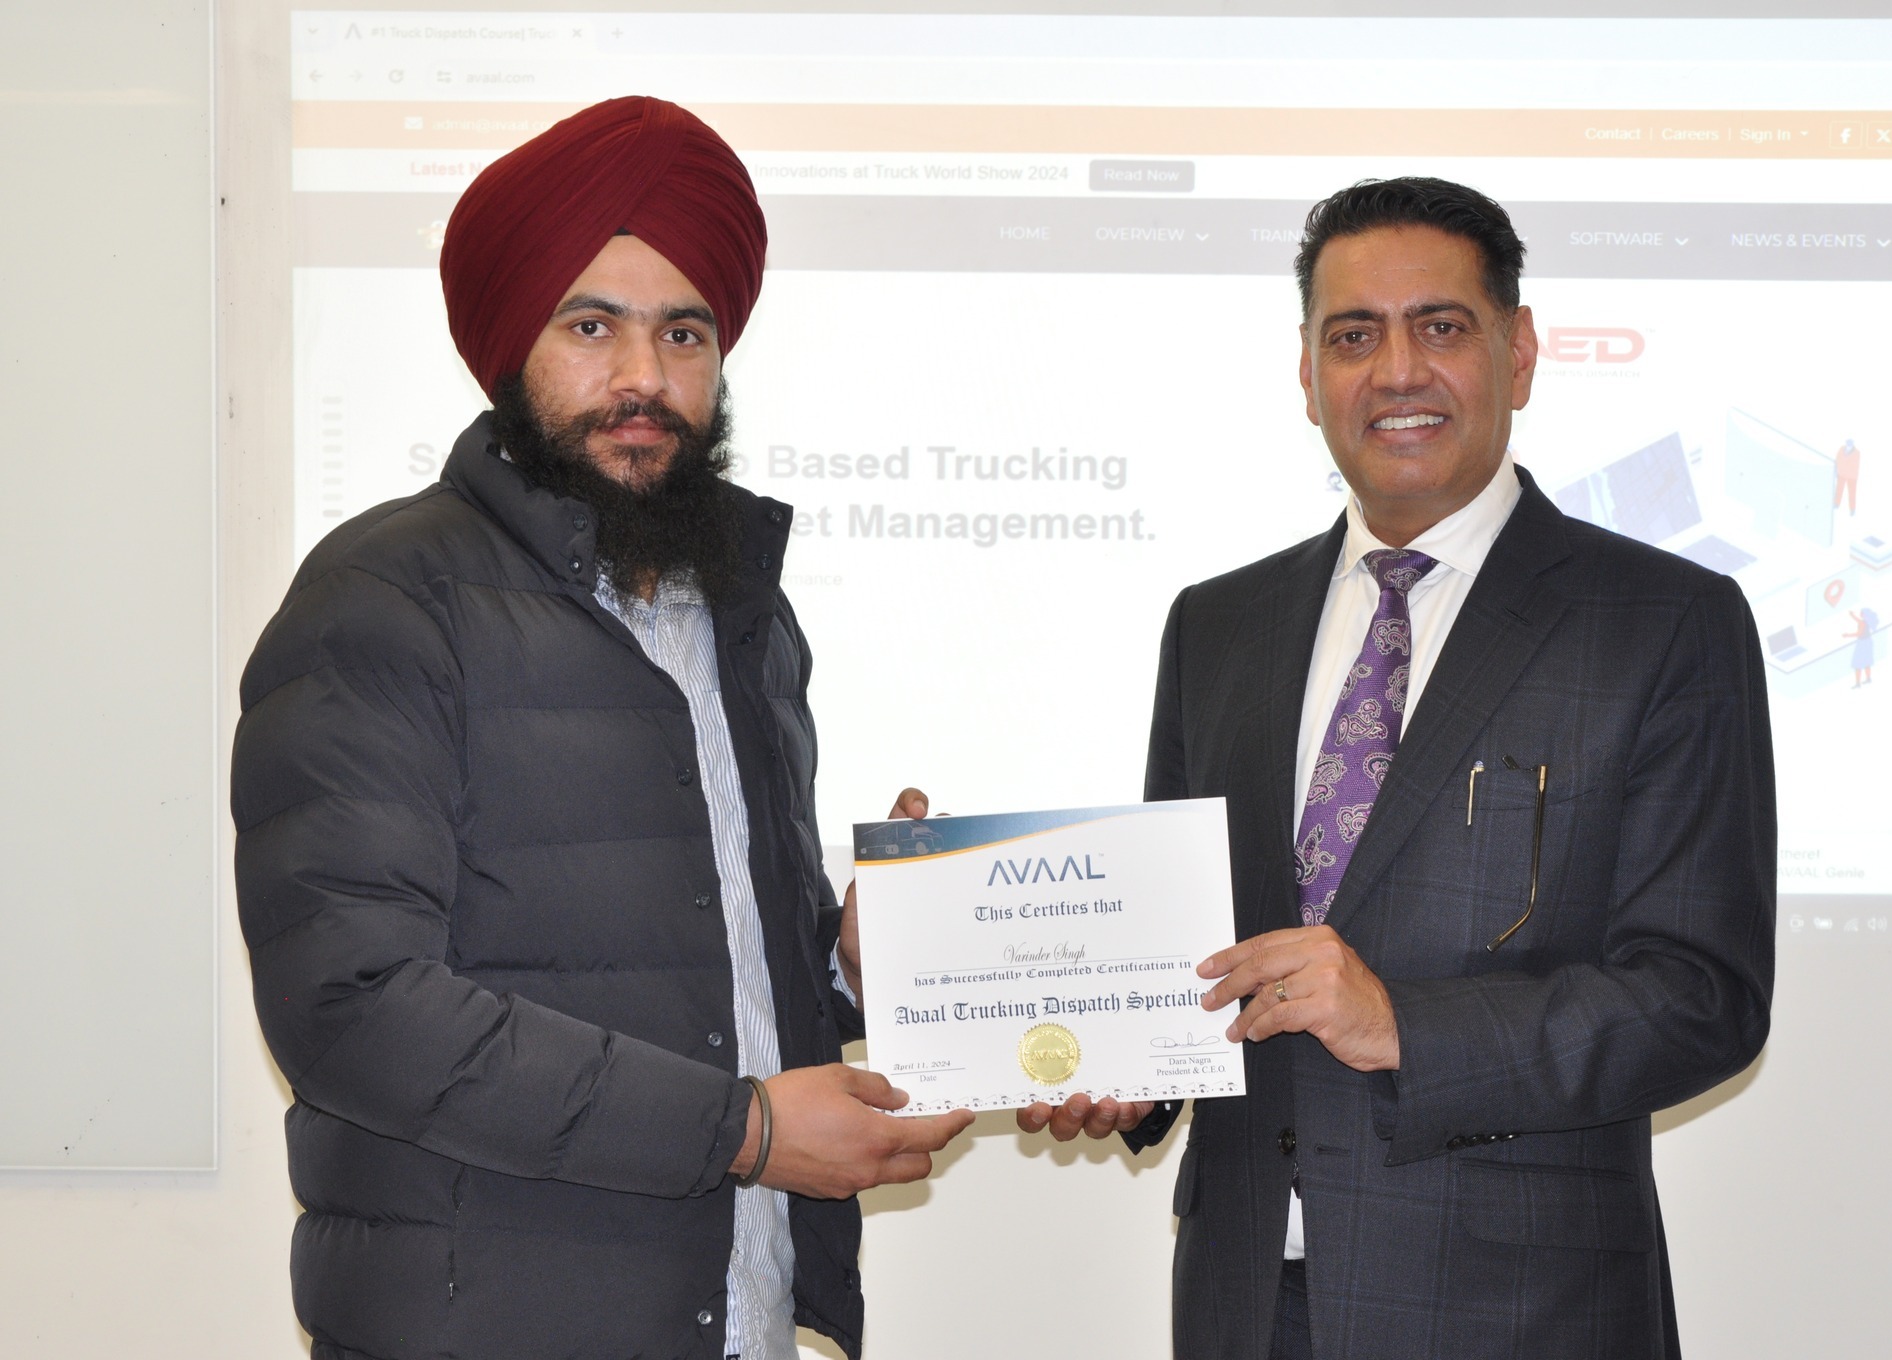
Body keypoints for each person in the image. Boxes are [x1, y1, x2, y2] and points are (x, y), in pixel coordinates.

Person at [233, 97, 971, 1360]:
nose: (645, 378)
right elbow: (351, 1002)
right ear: (510, 346)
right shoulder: (384, 597)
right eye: (592, 327)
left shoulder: (740, 612)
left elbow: (697, 966)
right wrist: (744, 1128)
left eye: (683, 332)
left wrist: (848, 967)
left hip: (736, 1320)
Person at [1020, 177, 1775, 1358]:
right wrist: (1124, 1061)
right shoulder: (1216, 624)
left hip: (1522, 1311)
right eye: (1352, 336)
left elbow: (1699, 1000)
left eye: (1440, 326)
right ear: (1306, 373)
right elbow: (1185, 946)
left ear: (1516, 353)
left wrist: (1401, 1024)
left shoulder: (1661, 621)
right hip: (1243, 1302)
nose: (1396, 371)